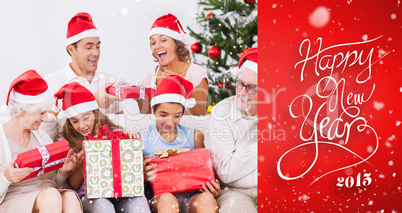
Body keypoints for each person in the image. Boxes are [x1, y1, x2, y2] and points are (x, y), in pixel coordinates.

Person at [54, 82, 151, 213]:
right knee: (103, 207)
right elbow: (74, 184)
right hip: (89, 196)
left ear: (95, 113)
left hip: (122, 192)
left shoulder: (114, 133)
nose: (82, 125)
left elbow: (133, 173)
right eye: (75, 121)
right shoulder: (66, 142)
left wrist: (129, 141)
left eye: (86, 117)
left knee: (139, 203)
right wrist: (90, 151)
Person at [0, 70, 82, 213]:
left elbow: (54, 183)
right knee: (51, 195)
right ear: (22, 109)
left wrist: (63, 172)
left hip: (48, 194)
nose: (45, 119)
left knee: (69, 196)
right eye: (41, 113)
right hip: (15, 197)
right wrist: (6, 177)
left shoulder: (42, 137)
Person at [141, 75, 219, 213]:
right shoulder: (143, 138)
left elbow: (204, 173)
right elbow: (135, 184)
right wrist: (143, 176)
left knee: (206, 198)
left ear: (183, 112)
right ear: (153, 111)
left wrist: (212, 187)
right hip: (160, 199)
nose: (170, 122)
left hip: (191, 198)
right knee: (167, 200)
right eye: (163, 115)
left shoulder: (195, 136)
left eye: (176, 115)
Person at [205, 48, 258, 212]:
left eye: (252, 87)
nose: (242, 92)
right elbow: (226, 173)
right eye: (240, 83)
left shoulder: (286, 112)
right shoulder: (222, 112)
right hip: (235, 193)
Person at [45, 12, 123, 116]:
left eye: (98, 46)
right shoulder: (54, 81)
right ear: (71, 49)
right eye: (89, 47)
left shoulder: (108, 79)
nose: (96, 53)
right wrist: (93, 101)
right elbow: (48, 124)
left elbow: (121, 124)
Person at [138, 13, 209, 116]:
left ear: (177, 44)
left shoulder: (196, 74)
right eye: (153, 43)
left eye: (163, 40)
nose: (157, 46)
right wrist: (139, 101)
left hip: (188, 132)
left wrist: (183, 89)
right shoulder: (150, 74)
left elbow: (200, 116)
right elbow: (147, 118)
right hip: (158, 132)